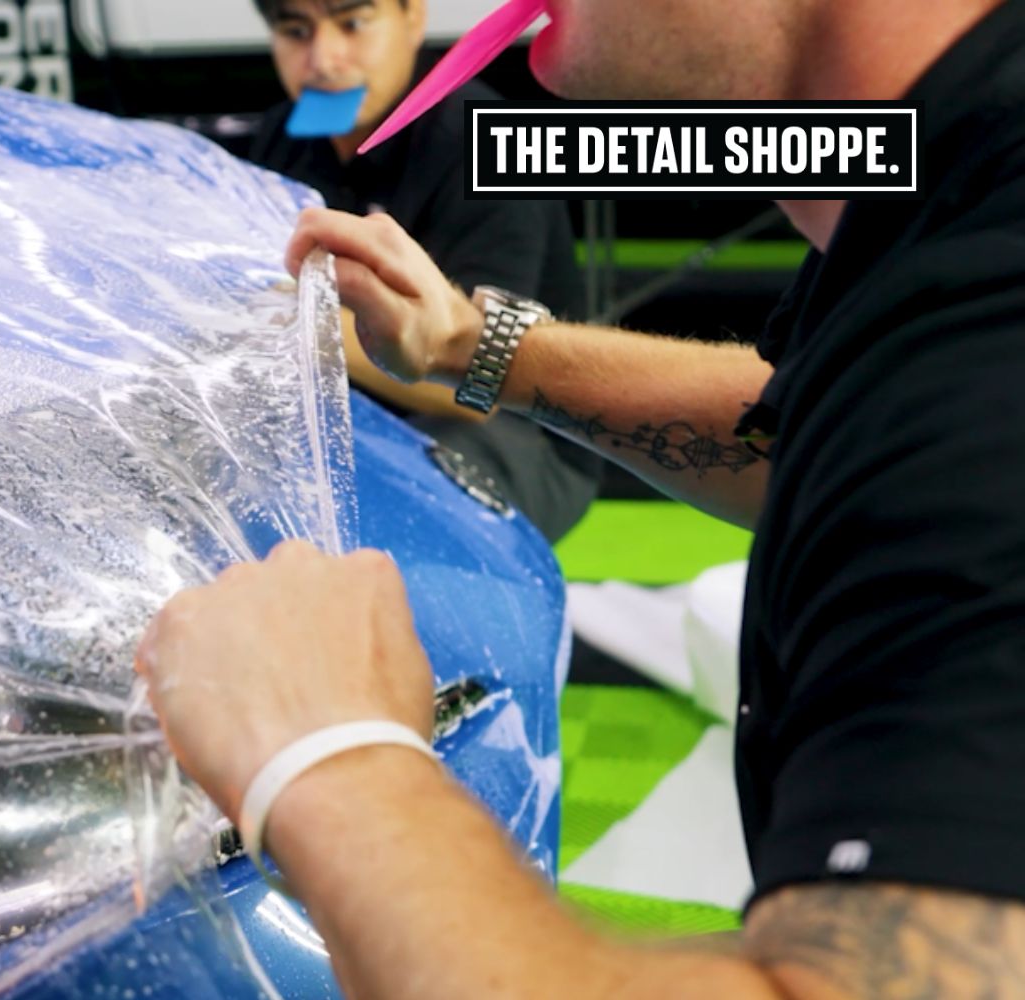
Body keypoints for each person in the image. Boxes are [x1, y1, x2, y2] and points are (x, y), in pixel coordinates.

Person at [136, 0, 1025, 995]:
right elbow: (812, 427)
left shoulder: (991, 319)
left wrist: (331, 762)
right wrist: (474, 347)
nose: (326, 54)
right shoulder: (949, 183)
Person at [247, 0, 602, 541]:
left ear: (414, 17)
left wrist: (311, 330)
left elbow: (490, 384)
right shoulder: (284, 136)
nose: (323, 58)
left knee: (395, 514)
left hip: (517, 433)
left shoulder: (486, 144)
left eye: (353, 23)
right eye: (295, 30)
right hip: (360, 409)